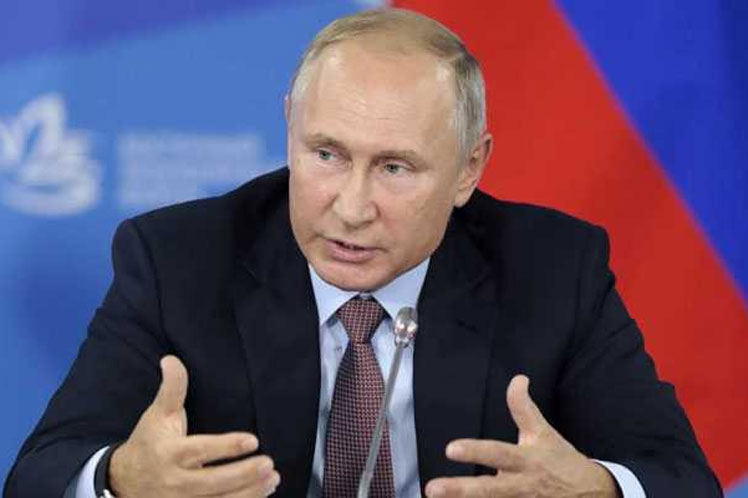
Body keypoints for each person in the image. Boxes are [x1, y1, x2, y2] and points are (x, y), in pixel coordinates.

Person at [4, 8, 721, 498]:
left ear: (469, 169)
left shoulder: (554, 270)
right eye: (326, 154)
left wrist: (597, 490)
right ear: (289, 123)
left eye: (395, 168)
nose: (351, 207)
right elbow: (38, 475)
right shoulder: (178, 260)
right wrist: (120, 480)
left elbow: (682, 480)